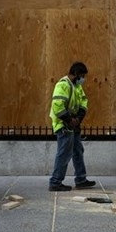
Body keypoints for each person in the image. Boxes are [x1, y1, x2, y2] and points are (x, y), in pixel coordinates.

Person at [48, 61, 96, 191]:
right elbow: (57, 106)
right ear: (75, 74)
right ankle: (55, 182)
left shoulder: (76, 86)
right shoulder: (62, 85)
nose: (83, 79)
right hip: (63, 124)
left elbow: (83, 102)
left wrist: (79, 118)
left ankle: (81, 179)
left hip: (72, 124)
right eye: (82, 76)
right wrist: (70, 120)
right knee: (64, 153)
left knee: (77, 151)